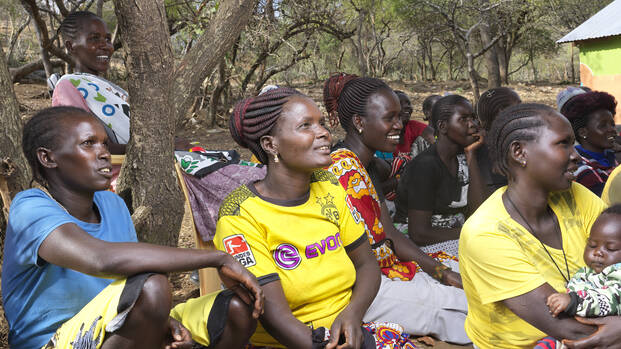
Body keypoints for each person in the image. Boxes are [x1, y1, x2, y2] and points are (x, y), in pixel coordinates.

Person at [1, 106, 264, 349]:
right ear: (48, 158)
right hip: (52, 342)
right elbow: (101, 260)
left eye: (104, 142)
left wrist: (160, 323)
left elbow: (126, 285)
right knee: (152, 287)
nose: (104, 153)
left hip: (111, 327)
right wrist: (217, 257)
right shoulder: (31, 207)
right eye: (88, 144)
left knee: (236, 307)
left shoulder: (112, 204)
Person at [210, 87, 415, 348]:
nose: (323, 133)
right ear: (270, 144)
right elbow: (275, 318)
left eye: (320, 123)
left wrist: (352, 315)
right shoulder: (240, 214)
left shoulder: (329, 187)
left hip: (346, 326)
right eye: (305, 125)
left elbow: (367, 265)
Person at [458, 103, 621, 348]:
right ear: (520, 152)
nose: (576, 154)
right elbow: (573, 332)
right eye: (563, 143)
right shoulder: (486, 233)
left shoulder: (577, 196)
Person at [323, 73, 470, 344]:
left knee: (471, 280)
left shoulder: (363, 165)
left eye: (399, 117)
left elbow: (387, 232)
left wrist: (440, 272)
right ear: (359, 122)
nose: (400, 125)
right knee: (461, 305)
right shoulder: (342, 169)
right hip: (364, 287)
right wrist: (438, 275)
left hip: (386, 271)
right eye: (389, 118)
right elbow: (372, 252)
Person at [394, 94, 485, 257]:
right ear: (443, 126)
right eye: (463, 119)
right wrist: (474, 232)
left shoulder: (464, 156)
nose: (473, 125)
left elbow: (478, 210)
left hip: (453, 233)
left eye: (473, 118)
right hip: (418, 244)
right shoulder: (426, 166)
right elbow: (420, 233)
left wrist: (471, 155)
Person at [547, 204, 621, 318]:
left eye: (611, 248)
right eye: (592, 245)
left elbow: (610, 301)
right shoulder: (586, 272)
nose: (597, 252)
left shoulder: (618, 273)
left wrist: (574, 302)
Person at [559, 90, 619, 196]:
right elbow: (607, 201)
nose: (612, 130)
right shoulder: (580, 168)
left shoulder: (609, 155)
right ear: (583, 132)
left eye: (612, 124)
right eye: (603, 126)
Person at [475, 87, 522, 198]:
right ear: (502, 111)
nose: (523, 109)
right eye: (519, 105)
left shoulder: (481, 144)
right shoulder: (507, 146)